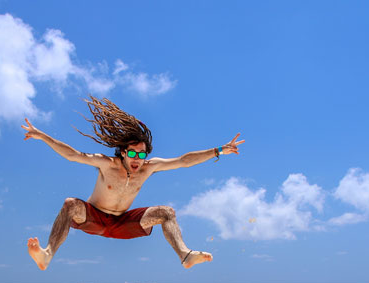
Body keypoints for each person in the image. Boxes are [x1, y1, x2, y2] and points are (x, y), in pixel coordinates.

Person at [22, 96, 244, 271]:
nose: (137, 158)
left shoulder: (149, 167)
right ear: (122, 152)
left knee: (166, 212)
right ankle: (47, 254)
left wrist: (219, 150)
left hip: (123, 223)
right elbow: (72, 155)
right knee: (70, 204)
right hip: (94, 218)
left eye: (141, 154)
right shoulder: (107, 164)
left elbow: (184, 161)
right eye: (131, 153)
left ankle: (185, 255)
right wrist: (43, 136)